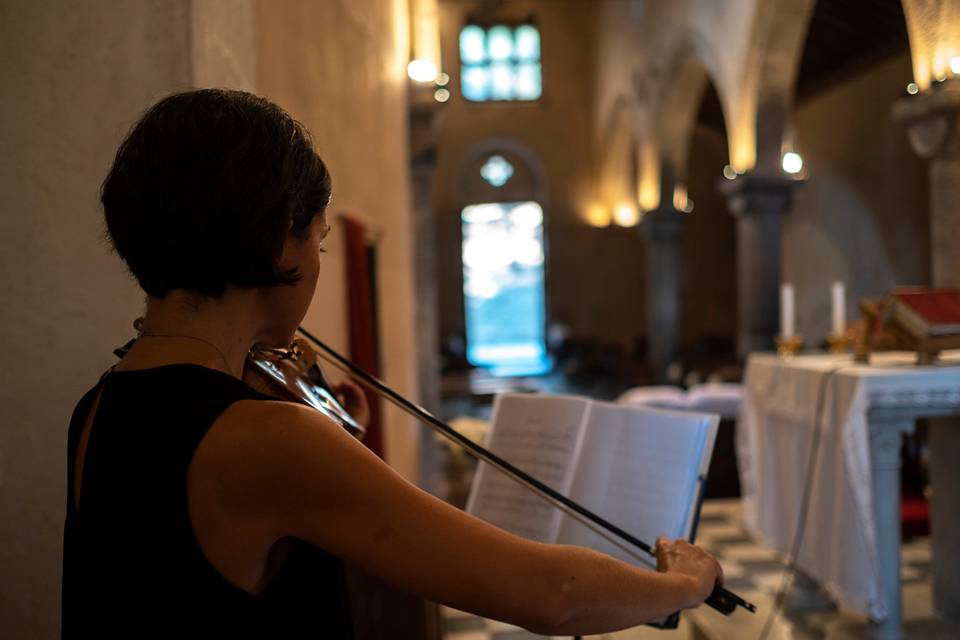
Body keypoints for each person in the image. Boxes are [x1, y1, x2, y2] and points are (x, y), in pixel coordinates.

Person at [62, 89, 722, 638]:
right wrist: (682, 584)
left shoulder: (98, 405)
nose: (320, 262)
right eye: (319, 239)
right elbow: (553, 594)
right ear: (275, 242)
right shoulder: (268, 440)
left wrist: (328, 420)